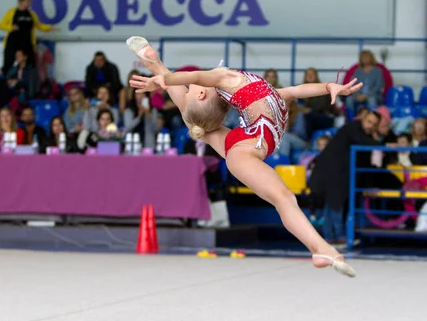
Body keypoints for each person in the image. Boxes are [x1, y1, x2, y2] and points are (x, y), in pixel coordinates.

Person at [126, 36, 360, 277]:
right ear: (203, 95)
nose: (194, 84)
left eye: (191, 91)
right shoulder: (226, 80)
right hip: (243, 149)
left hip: (243, 142)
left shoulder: (241, 86)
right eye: (191, 91)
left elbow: (294, 91)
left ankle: (153, 62)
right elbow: (193, 77)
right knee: (285, 198)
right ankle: (321, 249)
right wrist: (166, 79)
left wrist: (328, 87)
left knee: (197, 123)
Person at [309, 111, 383, 245]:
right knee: (336, 203)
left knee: (331, 205)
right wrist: (383, 145)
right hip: (332, 172)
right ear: (362, 118)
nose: (370, 126)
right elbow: (362, 141)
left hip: (337, 172)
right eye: (369, 121)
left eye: (374, 124)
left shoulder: (360, 133)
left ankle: (330, 237)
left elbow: (364, 158)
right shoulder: (352, 128)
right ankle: (339, 237)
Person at [0, 0, 58, 75]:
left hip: (27, 43)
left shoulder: (31, 14)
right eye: (27, 1)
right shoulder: (11, 12)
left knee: (30, 66)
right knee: (8, 66)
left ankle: (28, 85)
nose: (29, 4)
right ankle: (4, 84)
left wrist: (49, 28)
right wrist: (10, 27)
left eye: (30, 1)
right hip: (12, 43)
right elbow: (1, 25)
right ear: (20, 1)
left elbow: (39, 25)